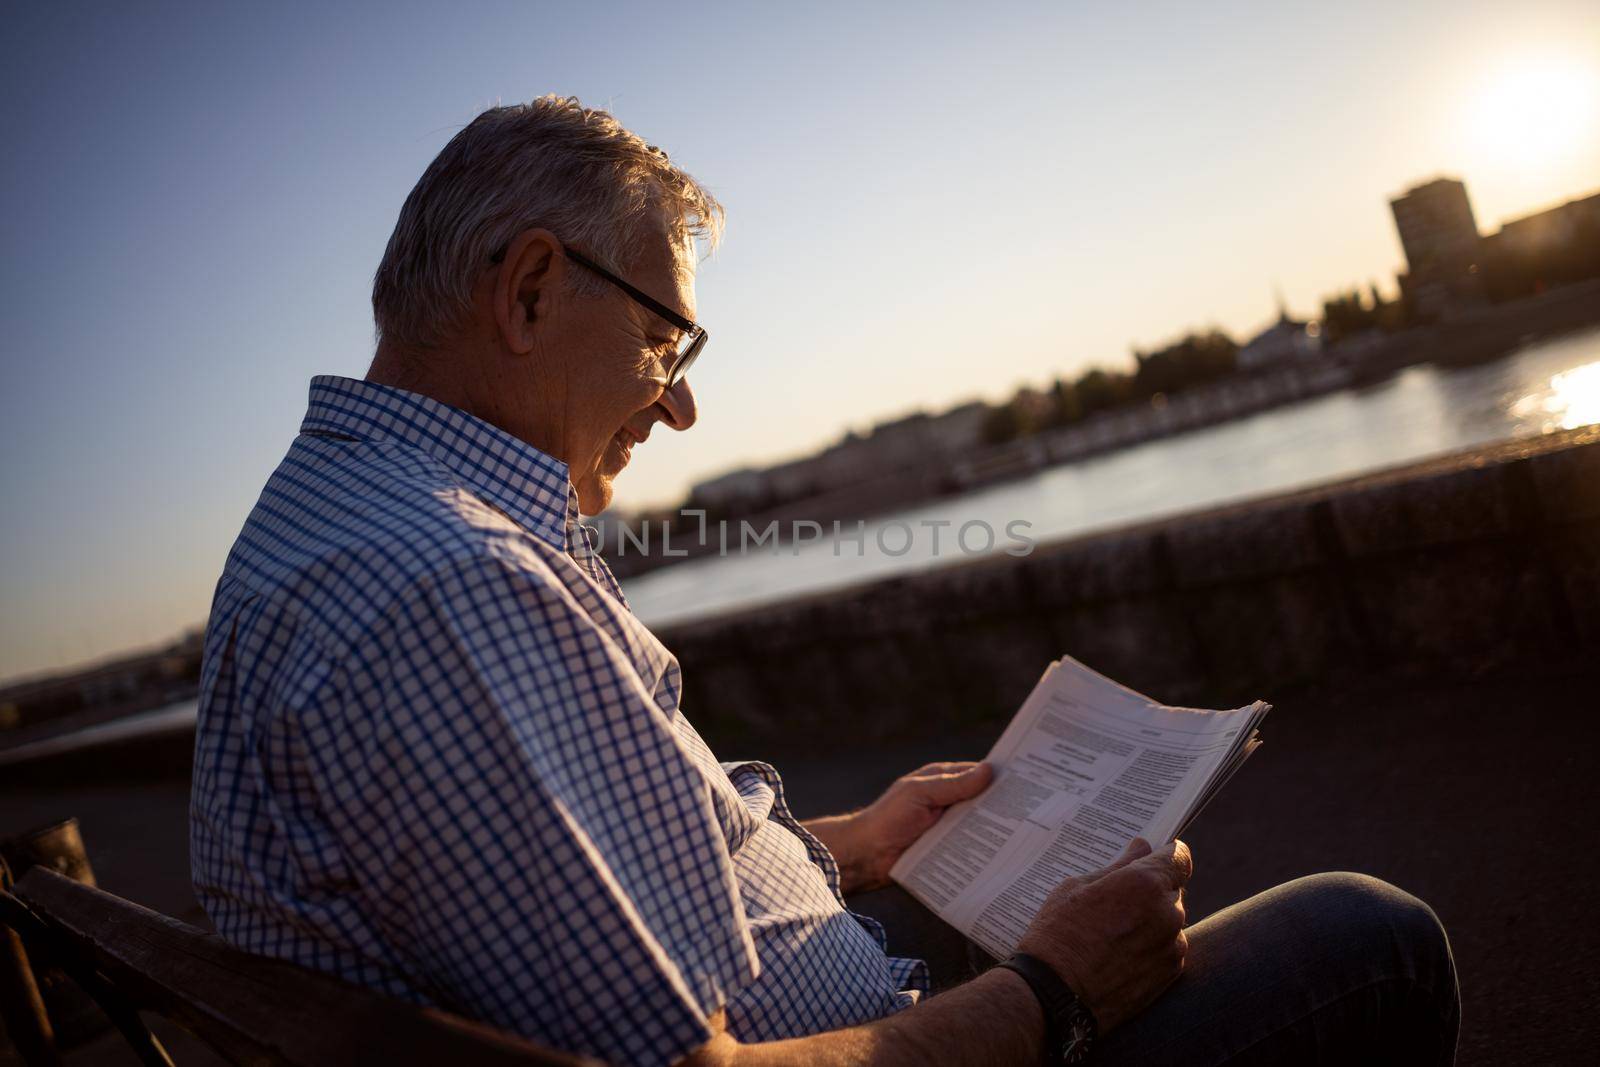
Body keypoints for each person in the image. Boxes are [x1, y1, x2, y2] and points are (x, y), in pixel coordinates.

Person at [190, 96, 1458, 1066]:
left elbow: (573, 876)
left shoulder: (348, 523)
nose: (680, 402)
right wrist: (1059, 989)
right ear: (527, 292)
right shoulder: (451, 588)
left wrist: (841, 845)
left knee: (1058, 888)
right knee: (1365, 934)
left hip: (816, 969)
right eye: (661, 336)